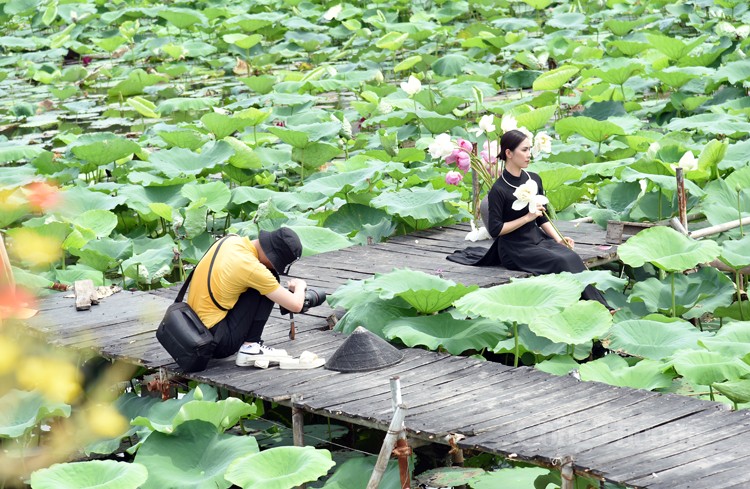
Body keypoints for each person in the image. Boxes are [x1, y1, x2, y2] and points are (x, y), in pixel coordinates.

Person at [487, 129, 610, 307]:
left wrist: (559, 239)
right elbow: (495, 230)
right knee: (561, 260)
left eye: (530, 149)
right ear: (509, 153)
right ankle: (598, 308)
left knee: (572, 256)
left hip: (537, 240)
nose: (529, 155)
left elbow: (541, 218)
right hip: (514, 249)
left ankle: (600, 306)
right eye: (524, 150)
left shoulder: (534, 179)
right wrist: (527, 218)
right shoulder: (498, 190)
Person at [186, 227, 308, 366]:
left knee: (260, 282)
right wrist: (300, 286)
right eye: (277, 264)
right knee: (269, 278)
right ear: (271, 256)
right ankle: (251, 347)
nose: (275, 267)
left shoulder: (231, 240)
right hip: (215, 342)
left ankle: (250, 345)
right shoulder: (251, 267)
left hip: (194, 328)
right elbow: (296, 305)